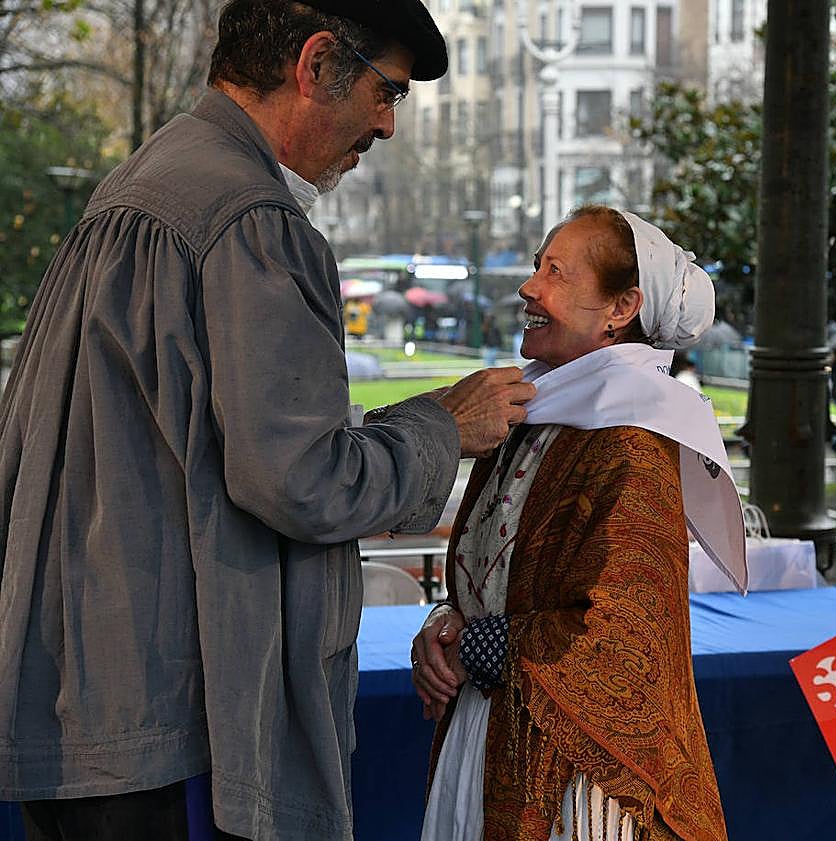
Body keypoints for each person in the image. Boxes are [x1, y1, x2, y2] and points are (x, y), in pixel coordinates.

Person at [0, 3, 536, 840]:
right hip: (174, 729)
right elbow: (302, 479)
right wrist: (440, 424)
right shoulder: (249, 218)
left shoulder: (142, 184)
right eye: (386, 90)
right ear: (317, 63)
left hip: (85, 710)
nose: (388, 125)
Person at [411, 205, 739, 841]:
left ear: (621, 308)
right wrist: (444, 622)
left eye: (556, 273)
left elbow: (619, 644)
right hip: (489, 734)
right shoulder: (529, 410)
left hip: (576, 779)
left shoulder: (633, 442)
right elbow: (491, 579)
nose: (529, 288)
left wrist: (472, 645)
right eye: (537, 266)